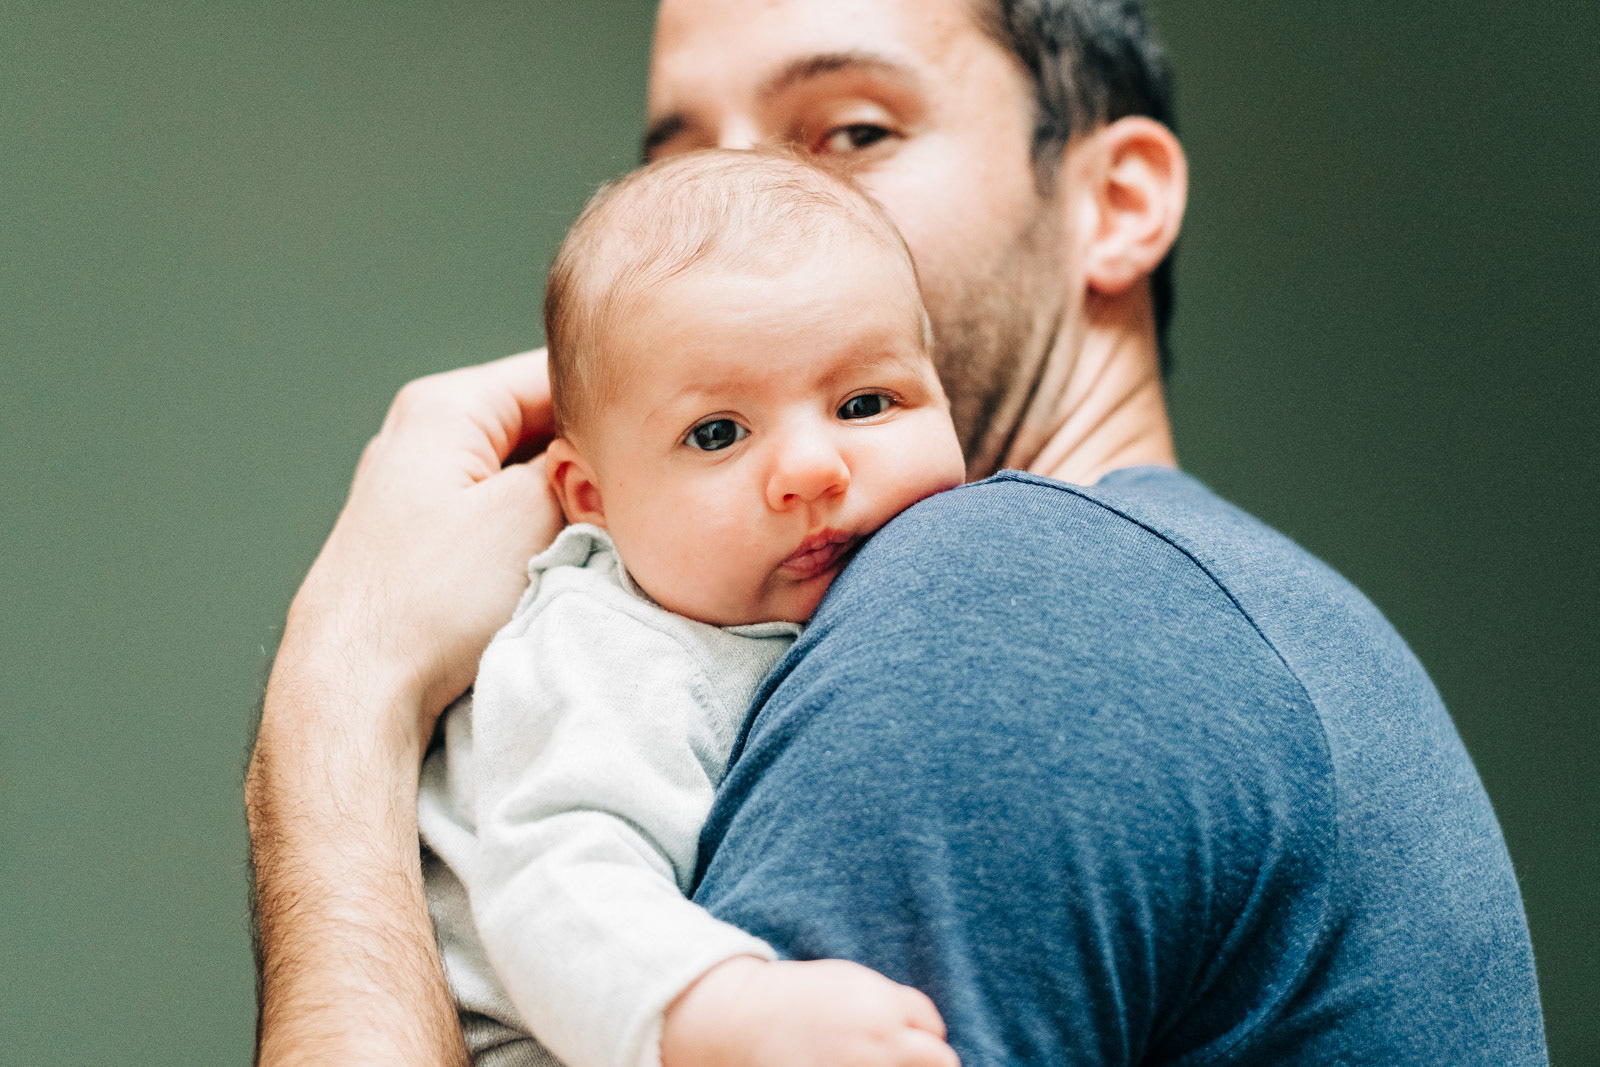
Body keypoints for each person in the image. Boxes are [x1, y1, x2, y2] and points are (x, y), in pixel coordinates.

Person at [246, 1, 1548, 1064]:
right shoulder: (1259, 611)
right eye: (681, 161)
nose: (748, 198)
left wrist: (339, 704)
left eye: (851, 130)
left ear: (1120, 198)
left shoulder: (1000, 598)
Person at [420, 149, 965, 1067]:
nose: (808, 470)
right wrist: (725, 1010)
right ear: (591, 497)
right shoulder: (608, 644)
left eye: (866, 403)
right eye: (717, 433)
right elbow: (557, 880)